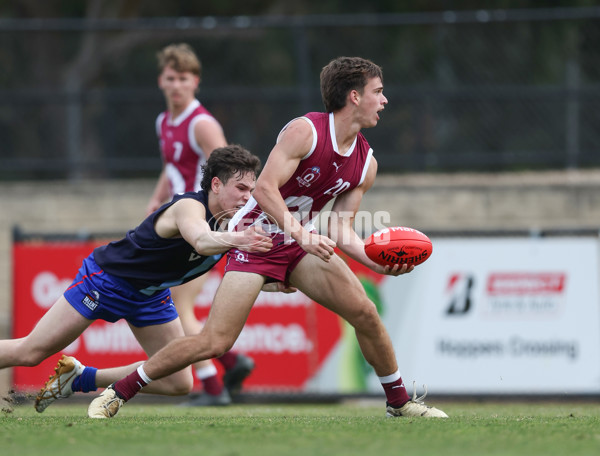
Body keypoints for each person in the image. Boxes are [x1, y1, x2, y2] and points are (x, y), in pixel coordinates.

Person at [88, 56, 448, 419]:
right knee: (215, 341)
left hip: (298, 244)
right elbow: (263, 189)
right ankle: (118, 392)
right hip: (254, 238)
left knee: (366, 313)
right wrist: (301, 234)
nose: (384, 100)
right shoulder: (306, 132)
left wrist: (376, 262)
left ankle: (400, 403)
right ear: (354, 96)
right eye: (378, 92)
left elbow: (340, 228)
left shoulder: (366, 162)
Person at [0, 146, 273, 413]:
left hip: (150, 296)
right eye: (241, 189)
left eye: (251, 190)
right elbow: (201, 241)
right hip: (106, 281)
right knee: (30, 352)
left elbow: (245, 270)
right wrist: (241, 240)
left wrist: (277, 281)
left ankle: (79, 379)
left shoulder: (232, 226)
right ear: (216, 185)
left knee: (178, 381)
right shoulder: (189, 207)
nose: (247, 197)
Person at [147, 43, 254, 405]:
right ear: (161, 80)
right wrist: (154, 202)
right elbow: (171, 166)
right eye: (170, 78)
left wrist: (221, 225)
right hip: (178, 221)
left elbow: (230, 170)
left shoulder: (201, 123)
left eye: (183, 78)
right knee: (177, 305)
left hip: (199, 223)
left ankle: (213, 385)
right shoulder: (164, 121)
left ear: (195, 81)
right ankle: (229, 363)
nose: (176, 85)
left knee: (178, 307)